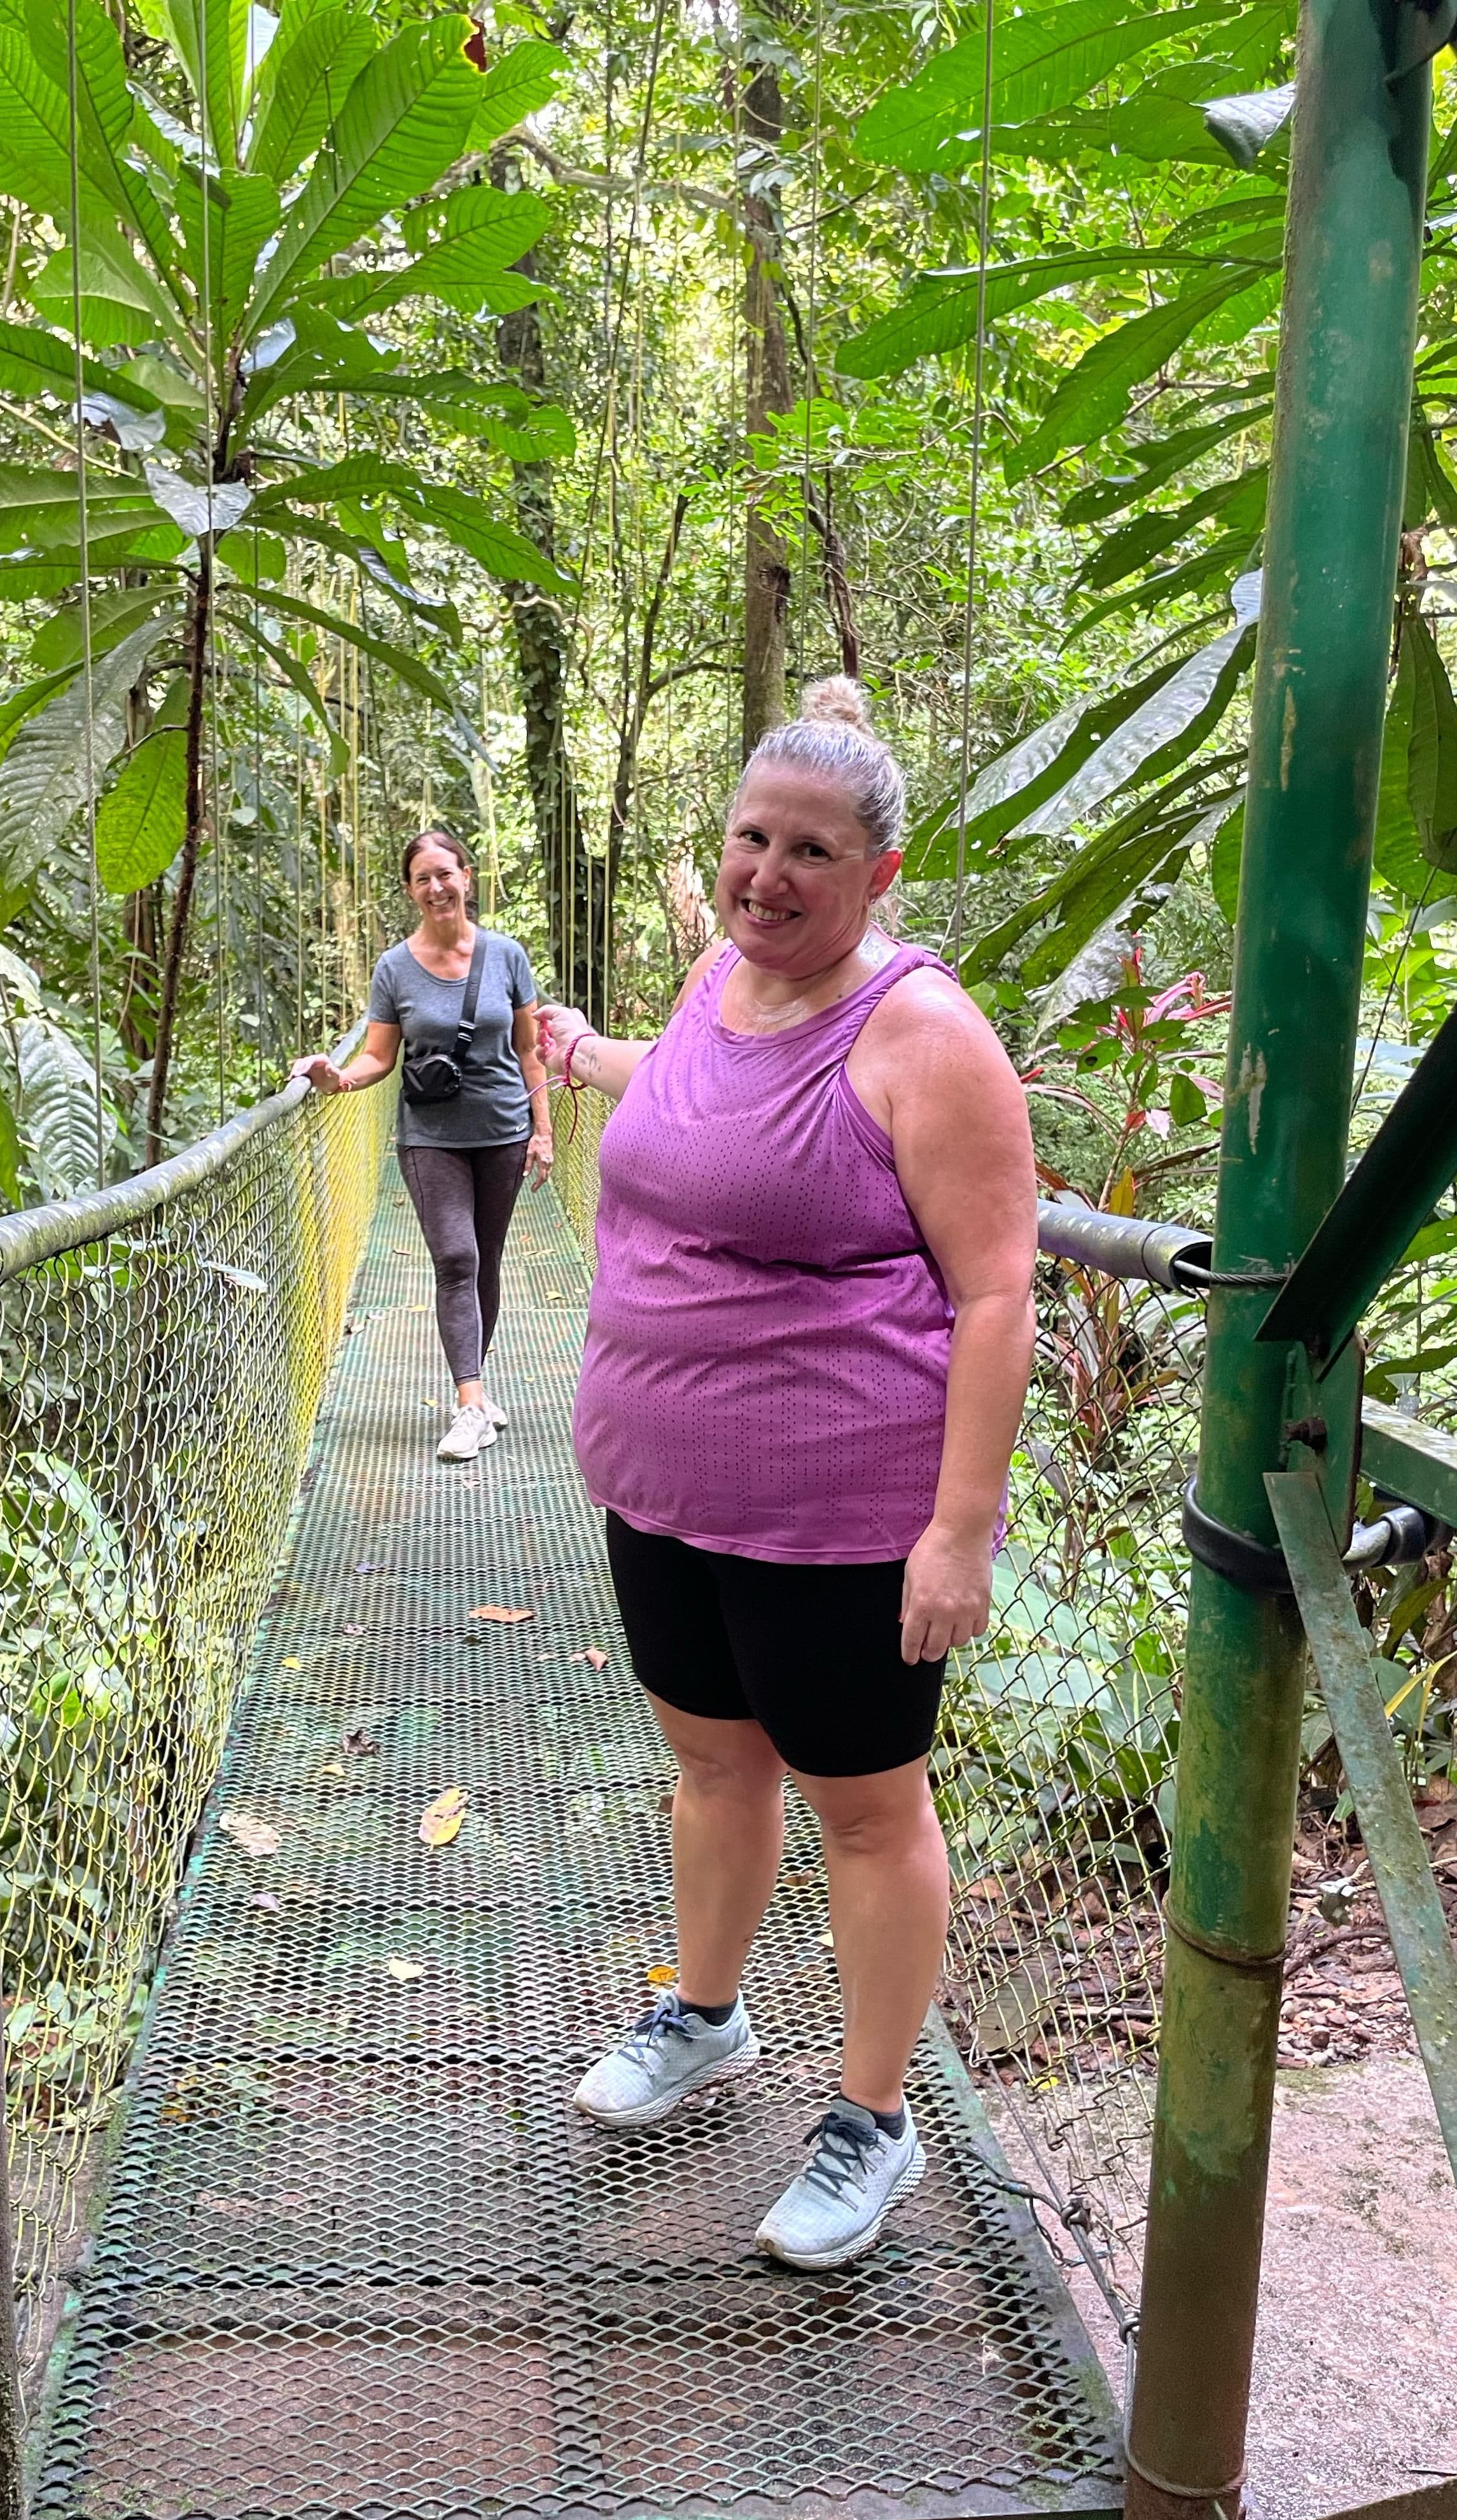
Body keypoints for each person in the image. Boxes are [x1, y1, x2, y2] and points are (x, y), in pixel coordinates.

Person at [536, 677, 1036, 2270]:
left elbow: (998, 1294)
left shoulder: (925, 1037)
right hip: (662, 1486)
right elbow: (694, 1107)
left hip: (836, 1516)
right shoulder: (715, 976)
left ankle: (871, 2119)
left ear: (878, 875)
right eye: (752, 837)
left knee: (871, 1813)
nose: (768, 873)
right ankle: (705, 2017)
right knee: (711, 1769)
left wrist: (960, 1531)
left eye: (810, 851)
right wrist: (588, 1054)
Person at [295, 828, 552, 1460]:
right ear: (411, 891)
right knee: (456, 1258)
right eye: (421, 879)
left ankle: (478, 1389)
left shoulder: (508, 957)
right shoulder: (394, 968)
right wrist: (339, 1076)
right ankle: (469, 1405)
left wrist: (543, 1130)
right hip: (430, 1136)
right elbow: (380, 1056)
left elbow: (529, 1050)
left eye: (445, 873)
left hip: (503, 1129)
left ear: (467, 876)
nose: (436, 888)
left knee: (485, 1259)